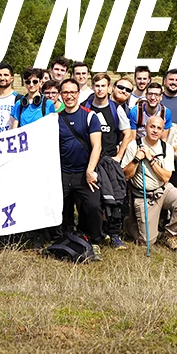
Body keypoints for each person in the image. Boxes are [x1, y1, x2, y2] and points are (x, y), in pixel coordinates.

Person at [121, 115, 177, 251]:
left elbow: (166, 177)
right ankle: (128, 223)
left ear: (163, 131)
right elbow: (126, 175)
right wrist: (136, 160)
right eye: (152, 127)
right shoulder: (134, 145)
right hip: (143, 194)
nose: (155, 131)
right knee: (147, 241)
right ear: (145, 127)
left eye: (159, 128)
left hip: (163, 189)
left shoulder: (166, 148)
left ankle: (171, 234)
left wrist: (151, 160)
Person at [84, 73, 133, 249]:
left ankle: (114, 235)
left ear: (109, 87)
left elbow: (128, 133)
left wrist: (119, 156)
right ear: (93, 87)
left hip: (110, 160)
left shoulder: (115, 109)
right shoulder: (86, 107)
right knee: (95, 201)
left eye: (103, 85)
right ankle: (94, 234)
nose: (100, 89)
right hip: (91, 161)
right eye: (96, 85)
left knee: (116, 199)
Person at [56, 79, 104, 248]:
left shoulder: (90, 116)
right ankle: (65, 237)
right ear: (61, 95)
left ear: (78, 94)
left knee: (93, 206)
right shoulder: (55, 119)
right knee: (60, 207)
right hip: (63, 172)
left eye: (72, 92)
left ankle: (94, 239)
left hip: (85, 172)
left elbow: (97, 145)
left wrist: (90, 170)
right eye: (65, 93)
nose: (69, 96)